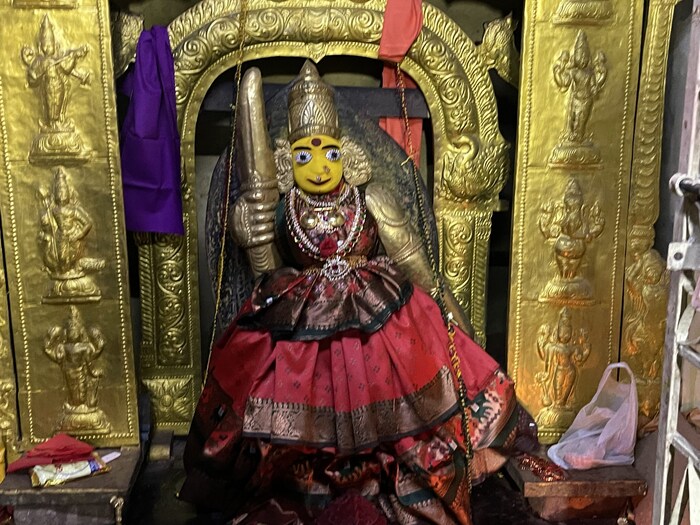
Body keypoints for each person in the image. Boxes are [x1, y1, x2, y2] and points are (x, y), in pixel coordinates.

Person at [181, 62, 535, 525]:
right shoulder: (285, 207)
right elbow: (267, 274)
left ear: (346, 153)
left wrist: (459, 327)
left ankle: (385, 481)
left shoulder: (370, 199)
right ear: (287, 161)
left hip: (374, 314)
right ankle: (315, 487)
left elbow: (420, 270)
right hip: (305, 323)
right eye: (305, 155)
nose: (320, 166)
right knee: (295, 415)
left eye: (329, 152)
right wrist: (253, 236)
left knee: (400, 406)